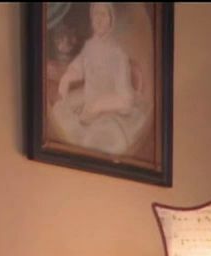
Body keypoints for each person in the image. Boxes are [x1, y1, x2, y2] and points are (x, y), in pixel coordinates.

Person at [49, 2, 151, 158]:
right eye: (96, 14)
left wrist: (97, 106)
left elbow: (126, 99)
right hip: (88, 98)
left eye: (103, 14)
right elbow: (78, 67)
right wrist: (67, 78)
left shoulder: (118, 54)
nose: (99, 19)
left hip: (110, 110)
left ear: (111, 20)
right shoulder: (89, 47)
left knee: (99, 138)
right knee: (59, 113)